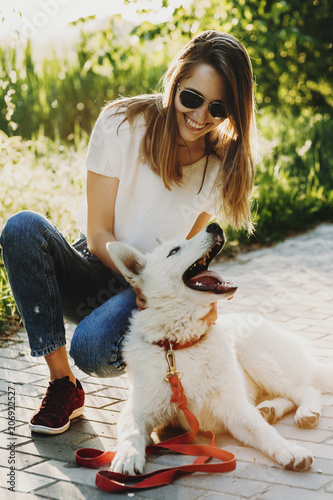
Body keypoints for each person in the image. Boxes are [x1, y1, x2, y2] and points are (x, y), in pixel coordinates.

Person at [0, 30, 257, 435]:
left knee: (94, 348)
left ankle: (161, 392)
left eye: (219, 108)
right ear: (175, 82)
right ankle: (62, 384)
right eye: (191, 98)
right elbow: (99, 231)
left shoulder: (220, 166)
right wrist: (134, 278)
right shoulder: (122, 123)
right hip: (96, 262)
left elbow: (186, 255)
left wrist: (184, 301)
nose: (201, 116)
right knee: (21, 227)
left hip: (143, 289)